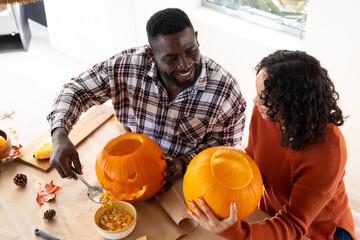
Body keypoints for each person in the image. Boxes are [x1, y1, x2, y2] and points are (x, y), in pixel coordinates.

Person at [47, 8, 246, 191]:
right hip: (130, 163)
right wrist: (60, 136)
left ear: (196, 39)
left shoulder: (225, 90)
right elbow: (75, 90)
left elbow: (225, 146)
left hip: (186, 177)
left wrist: (185, 162)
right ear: (152, 53)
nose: (185, 65)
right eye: (171, 58)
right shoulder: (125, 66)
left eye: (190, 51)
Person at [187, 50, 356, 239]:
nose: (255, 101)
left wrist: (236, 233)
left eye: (264, 98)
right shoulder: (264, 113)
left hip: (319, 230)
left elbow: (293, 223)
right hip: (274, 213)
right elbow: (251, 160)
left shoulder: (329, 151)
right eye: (258, 94)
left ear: (293, 104)